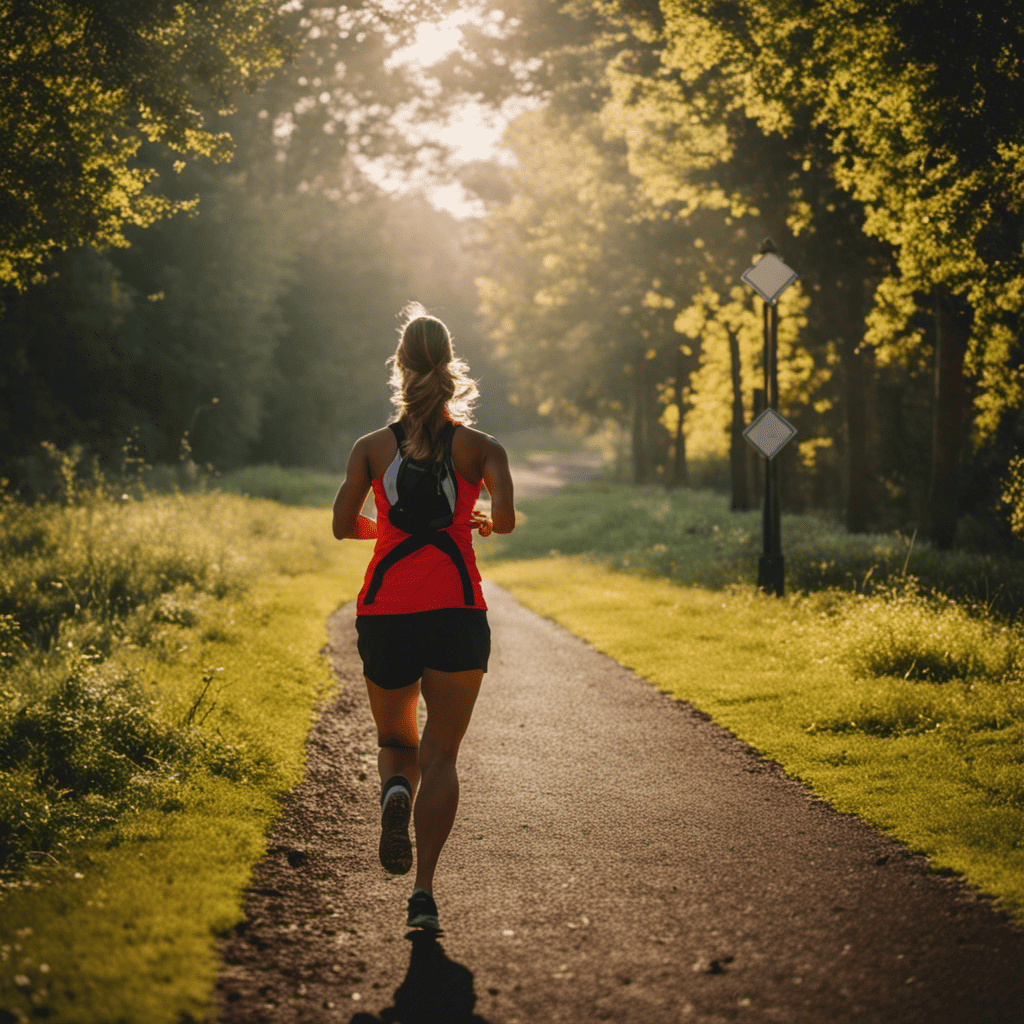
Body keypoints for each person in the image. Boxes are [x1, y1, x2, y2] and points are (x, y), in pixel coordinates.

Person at [332, 302, 515, 933]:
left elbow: (341, 526)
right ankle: (425, 894)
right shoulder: (482, 448)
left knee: (395, 742)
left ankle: (393, 792)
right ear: (450, 365)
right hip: (457, 612)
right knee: (442, 752)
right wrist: (481, 521)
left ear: (401, 366)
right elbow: (508, 518)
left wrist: (384, 529)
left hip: (385, 612)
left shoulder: (370, 448)